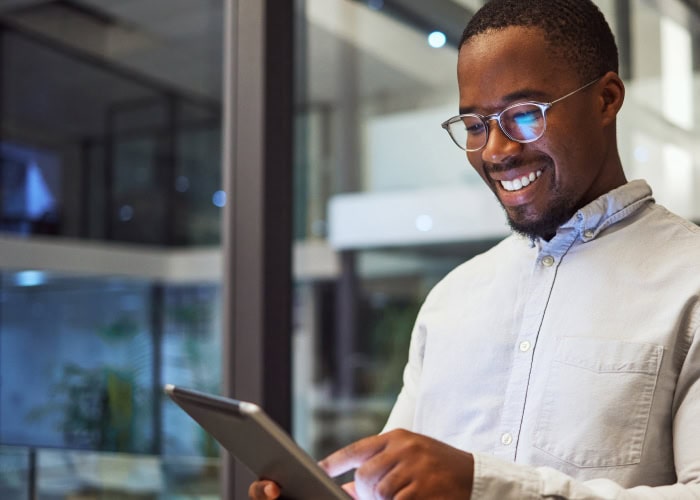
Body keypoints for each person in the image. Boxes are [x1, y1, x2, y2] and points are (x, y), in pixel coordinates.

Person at [251, 0, 700, 498]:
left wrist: (483, 486)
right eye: (474, 125)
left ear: (606, 99)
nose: (496, 151)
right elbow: (394, 485)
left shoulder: (690, 281)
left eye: (525, 115)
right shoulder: (451, 299)